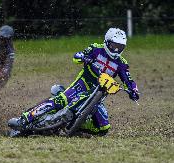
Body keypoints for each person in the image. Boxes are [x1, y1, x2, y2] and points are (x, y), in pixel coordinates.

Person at [9, 28, 139, 135]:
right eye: (114, 46)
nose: (116, 50)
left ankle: (77, 129)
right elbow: (77, 56)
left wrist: (133, 90)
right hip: (81, 85)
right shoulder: (96, 49)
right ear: (106, 42)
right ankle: (24, 119)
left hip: (98, 95)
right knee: (60, 101)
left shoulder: (122, 63)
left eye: (120, 47)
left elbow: (128, 79)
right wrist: (84, 58)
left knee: (104, 129)